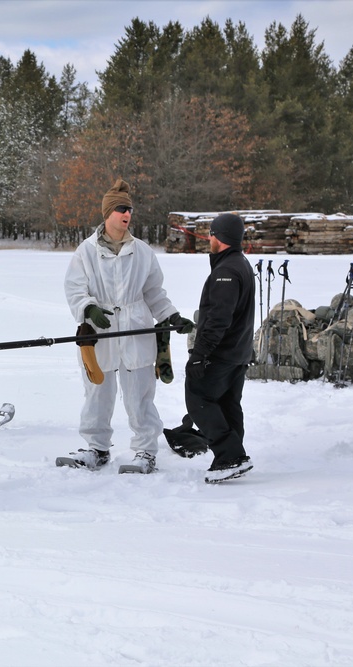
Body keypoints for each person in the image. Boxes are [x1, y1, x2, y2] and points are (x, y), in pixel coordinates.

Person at [61, 178, 193, 474]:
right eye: (121, 209)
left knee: (140, 393)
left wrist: (170, 316)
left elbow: (154, 293)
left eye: (130, 209)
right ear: (107, 214)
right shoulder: (86, 251)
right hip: (101, 333)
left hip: (136, 329)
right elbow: (74, 289)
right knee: (97, 392)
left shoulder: (142, 251)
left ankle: (145, 451)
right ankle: (96, 448)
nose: (127, 214)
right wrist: (89, 308)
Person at [185, 212, 256, 482]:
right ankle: (235, 457)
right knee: (227, 404)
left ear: (222, 238)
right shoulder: (240, 263)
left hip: (223, 353)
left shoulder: (226, 271)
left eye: (212, 234)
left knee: (198, 397)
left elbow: (218, 319)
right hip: (238, 353)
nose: (209, 239)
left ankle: (230, 456)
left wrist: (200, 355)